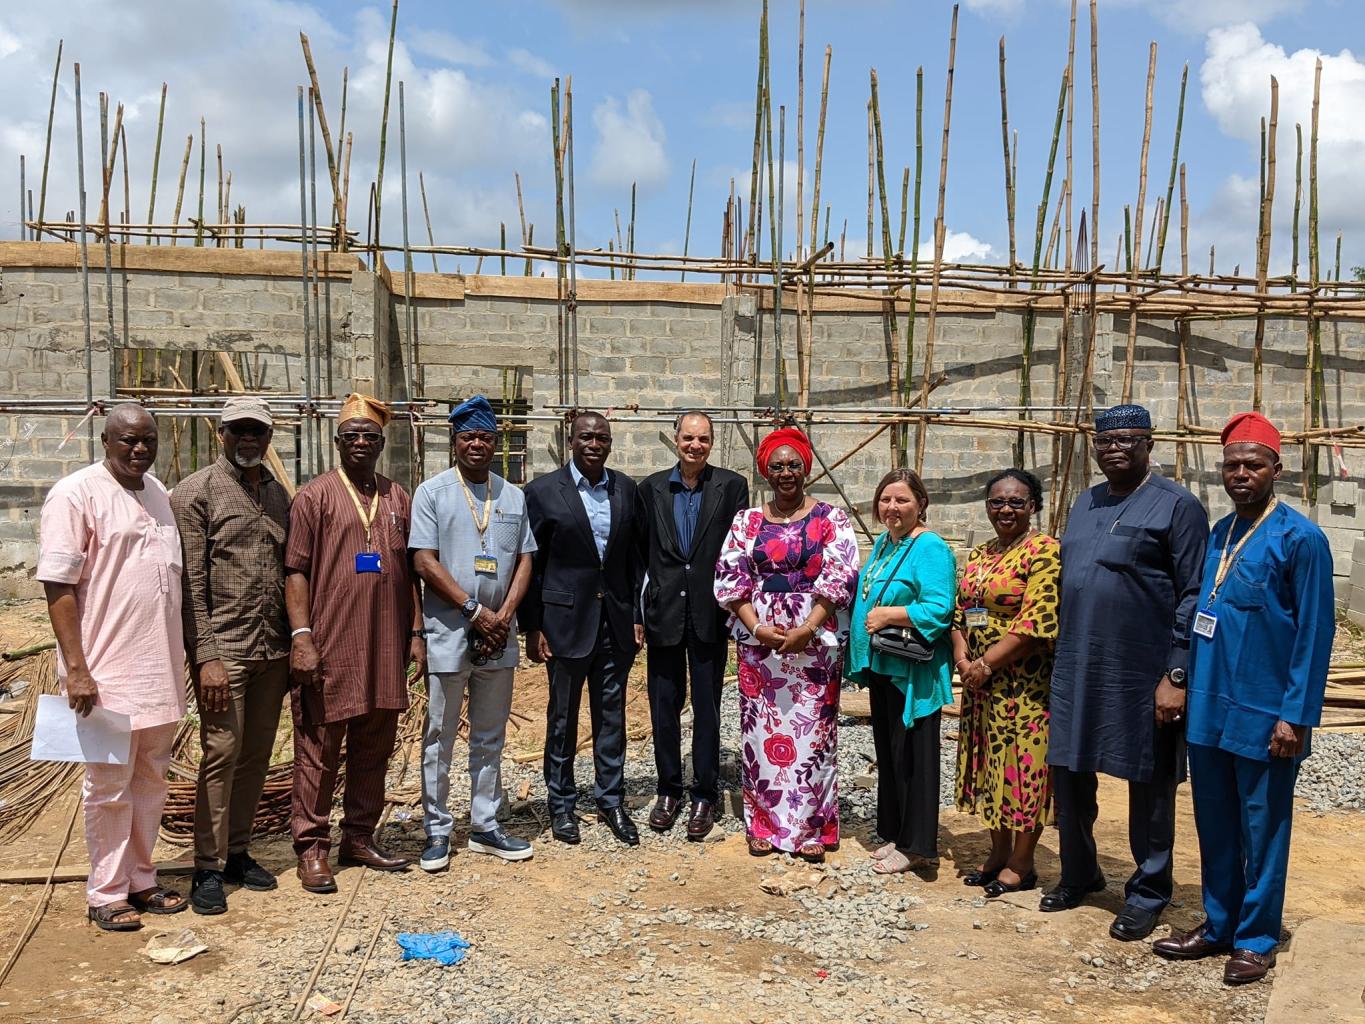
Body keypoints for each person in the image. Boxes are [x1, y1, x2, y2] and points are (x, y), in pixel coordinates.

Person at [1153, 413, 1334, 984]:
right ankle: (1219, 923)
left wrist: (1295, 717)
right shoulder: (1219, 534)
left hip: (1265, 713)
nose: (1241, 474)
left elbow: (1314, 634)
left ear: (1276, 469)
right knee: (1215, 821)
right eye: (1231, 464)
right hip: (1209, 707)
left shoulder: (1301, 539)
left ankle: (1255, 938)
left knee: (1264, 827)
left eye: (1253, 464)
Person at [1046, 404, 1209, 941]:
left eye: (1128, 439)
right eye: (1105, 441)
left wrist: (1177, 673)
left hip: (1142, 670)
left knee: (1150, 780)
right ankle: (1080, 873)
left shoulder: (1177, 506)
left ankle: (1148, 891)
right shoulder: (1085, 502)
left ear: (1149, 445)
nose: (1114, 448)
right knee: (1069, 773)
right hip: (1076, 664)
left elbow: (1193, 593)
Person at [37, 404, 188, 930]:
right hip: (105, 670)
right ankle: (105, 892)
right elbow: (58, 584)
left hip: (161, 669)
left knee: (151, 779)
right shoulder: (76, 493)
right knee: (108, 786)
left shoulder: (159, 494)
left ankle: (142, 879)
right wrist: (76, 668)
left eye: (148, 440)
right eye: (128, 441)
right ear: (105, 440)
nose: (139, 449)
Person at [285, 393, 426, 893]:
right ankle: (312, 846)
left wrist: (416, 633)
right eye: (352, 436)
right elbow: (295, 570)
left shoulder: (397, 497)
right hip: (332, 642)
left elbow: (412, 570)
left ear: (382, 443)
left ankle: (359, 836)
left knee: (375, 745)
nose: (361, 443)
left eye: (370, 436)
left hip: (385, 643)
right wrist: (302, 637)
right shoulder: (314, 497)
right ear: (338, 442)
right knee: (320, 747)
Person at [714, 426, 860, 863]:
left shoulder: (830, 519)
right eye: (776, 466)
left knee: (814, 735)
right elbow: (729, 578)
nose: (785, 473)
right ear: (765, 471)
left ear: (805, 467)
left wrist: (809, 628)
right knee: (761, 734)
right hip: (759, 645)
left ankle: (814, 828)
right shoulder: (747, 521)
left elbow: (841, 575)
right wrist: (758, 628)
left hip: (814, 643)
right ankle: (763, 824)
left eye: (793, 464)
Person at [171, 396, 291, 915]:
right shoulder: (197, 492)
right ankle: (206, 866)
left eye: (258, 432)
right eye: (239, 430)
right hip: (228, 650)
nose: (249, 439)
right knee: (221, 752)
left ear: (268, 438)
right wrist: (207, 657)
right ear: (222, 433)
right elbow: (191, 585)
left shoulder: (277, 493)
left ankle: (238, 851)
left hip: (272, 648)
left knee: (256, 753)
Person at [411, 396, 537, 872]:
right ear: (455, 442)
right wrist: (472, 609)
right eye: (469, 437)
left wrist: (502, 615)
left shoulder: (512, 496)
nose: (477, 444)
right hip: (449, 631)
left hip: (498, 636)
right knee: (439, 734)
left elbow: (525, 558)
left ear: (496, 442)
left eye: (486, 437)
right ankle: (438, 829)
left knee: (489, 733)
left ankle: (485, 824)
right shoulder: (433, 493)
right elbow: (423, 560)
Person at [522, 411, 646, 847]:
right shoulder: (541, 492)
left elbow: (634, 559)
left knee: (611, 717)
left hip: (614, 622)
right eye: (585, 437)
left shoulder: (626, 489)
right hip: (563, 625)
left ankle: (610, 799)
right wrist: (532, 626)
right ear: (570, 441)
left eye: (602, 438)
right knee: (562, 718)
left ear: (610, 444)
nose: (594, 444)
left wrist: (636, 615)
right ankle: (562, 805)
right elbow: (530, 565)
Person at [636, 411, 749, 840]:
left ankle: (704, 793)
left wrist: (737, 611)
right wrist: (637, 614)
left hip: (710, 615)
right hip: (663, 615)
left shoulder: (731, 487)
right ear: (677, 441)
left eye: (703, 439)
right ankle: (669, 789)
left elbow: (737, 553)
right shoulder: (650, 489)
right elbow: (639, 555)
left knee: (707, 708)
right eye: (688, 438)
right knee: (663, 707)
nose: (695, 445)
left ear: (712, 443)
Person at [950, 469, 1061, 897]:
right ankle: (997, 852)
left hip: (1023, 685)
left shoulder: (1044, 552)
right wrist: (963, 658)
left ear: (1033, 505)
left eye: (1017, 502)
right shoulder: (980, 554)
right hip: (980, 685)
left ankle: (1022, 862)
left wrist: (987, 665)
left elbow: (1037, 621)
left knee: (1023, 767)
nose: (1006, 509)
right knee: (988, 765)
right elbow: (960, 613)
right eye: (998, 502)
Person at [845, 468, 956, 875]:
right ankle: (896, 832)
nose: (892, 507)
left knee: (915, 757)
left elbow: (940, 608)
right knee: (891, 754)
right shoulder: (885, 544)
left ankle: (918, 845)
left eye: (902, 500)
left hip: (913, 672)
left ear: (921, 504)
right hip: (884, 665)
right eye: (886, 499)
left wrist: (890, 613)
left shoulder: (930, 548)